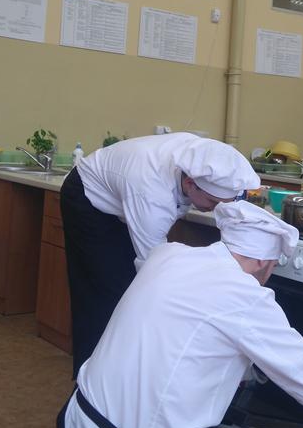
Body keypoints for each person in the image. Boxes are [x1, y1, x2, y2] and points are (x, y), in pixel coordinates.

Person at [58, 200, 303, 428]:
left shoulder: (168, 254)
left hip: (77, 417)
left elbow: (200, 343)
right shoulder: (247, 295)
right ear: (263, 262)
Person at [60, 132, 260, 375]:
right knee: (104, 295)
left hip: (124, 198)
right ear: (190, 183)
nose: (215, 209)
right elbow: (152, 270)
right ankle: (90, 379)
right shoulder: (151, 193)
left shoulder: (199, 158)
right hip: (88, 198)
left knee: (126, 288)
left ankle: (122, 367)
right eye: (211, 202)